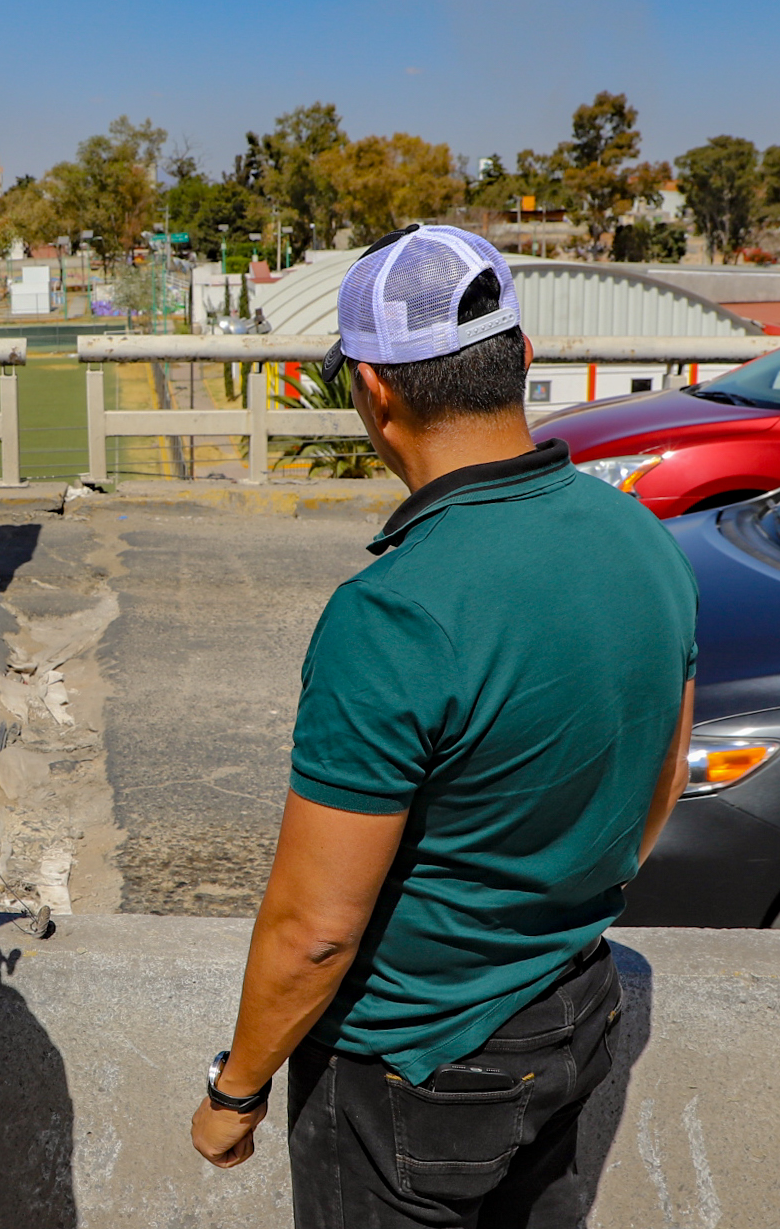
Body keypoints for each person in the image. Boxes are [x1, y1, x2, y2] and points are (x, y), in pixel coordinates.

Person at [190, 225, 699, 1229]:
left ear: (375, 391)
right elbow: (661, 788)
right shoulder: (641, 537)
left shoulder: (394, 611)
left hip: (411, 1074)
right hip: (572, 1013)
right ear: (522, 360)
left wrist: (235, 1091)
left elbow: (316, 933)